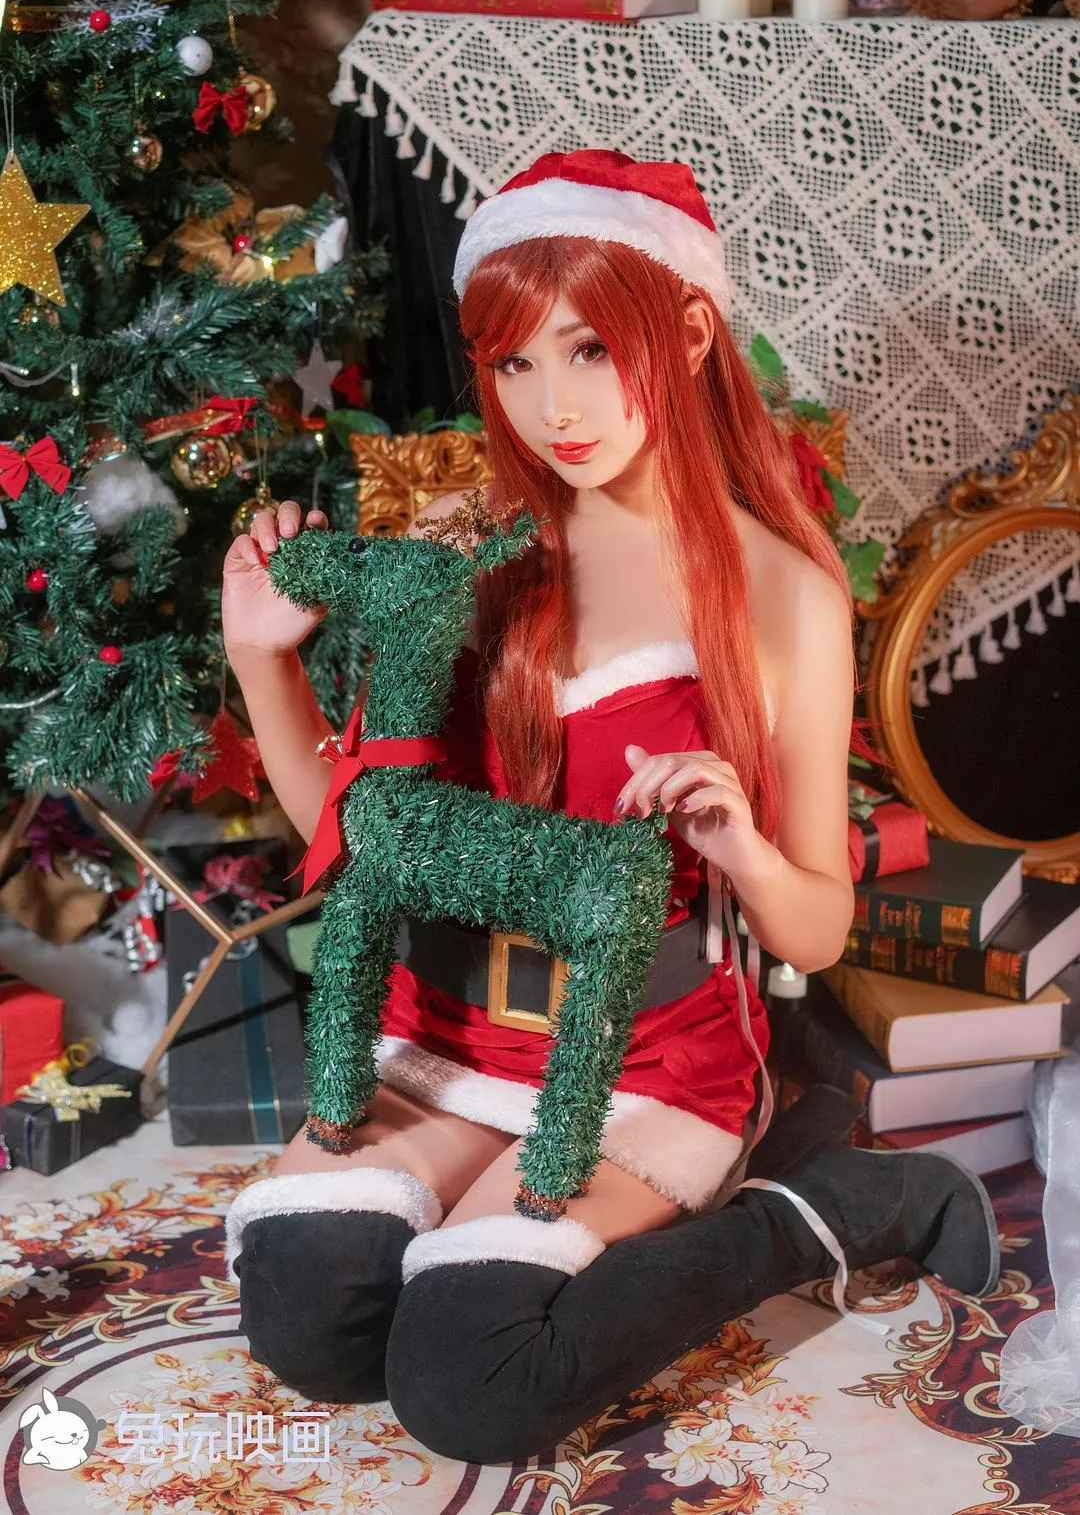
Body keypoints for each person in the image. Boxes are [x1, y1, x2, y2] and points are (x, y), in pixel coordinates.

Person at [220, 150, 999, 1463]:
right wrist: (264, 662)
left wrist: (742, 845)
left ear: (688, 331)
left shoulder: (781, 595)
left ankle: (812, 1211)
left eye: (590, 349)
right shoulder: (475, 553)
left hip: (645, 1056)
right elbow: (358, 837)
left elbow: (815, 931)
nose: (553, 407)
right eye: (516, 364)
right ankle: (492, 1209)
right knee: (310, 1320)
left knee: (470, 1381)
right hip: (450, 1029)